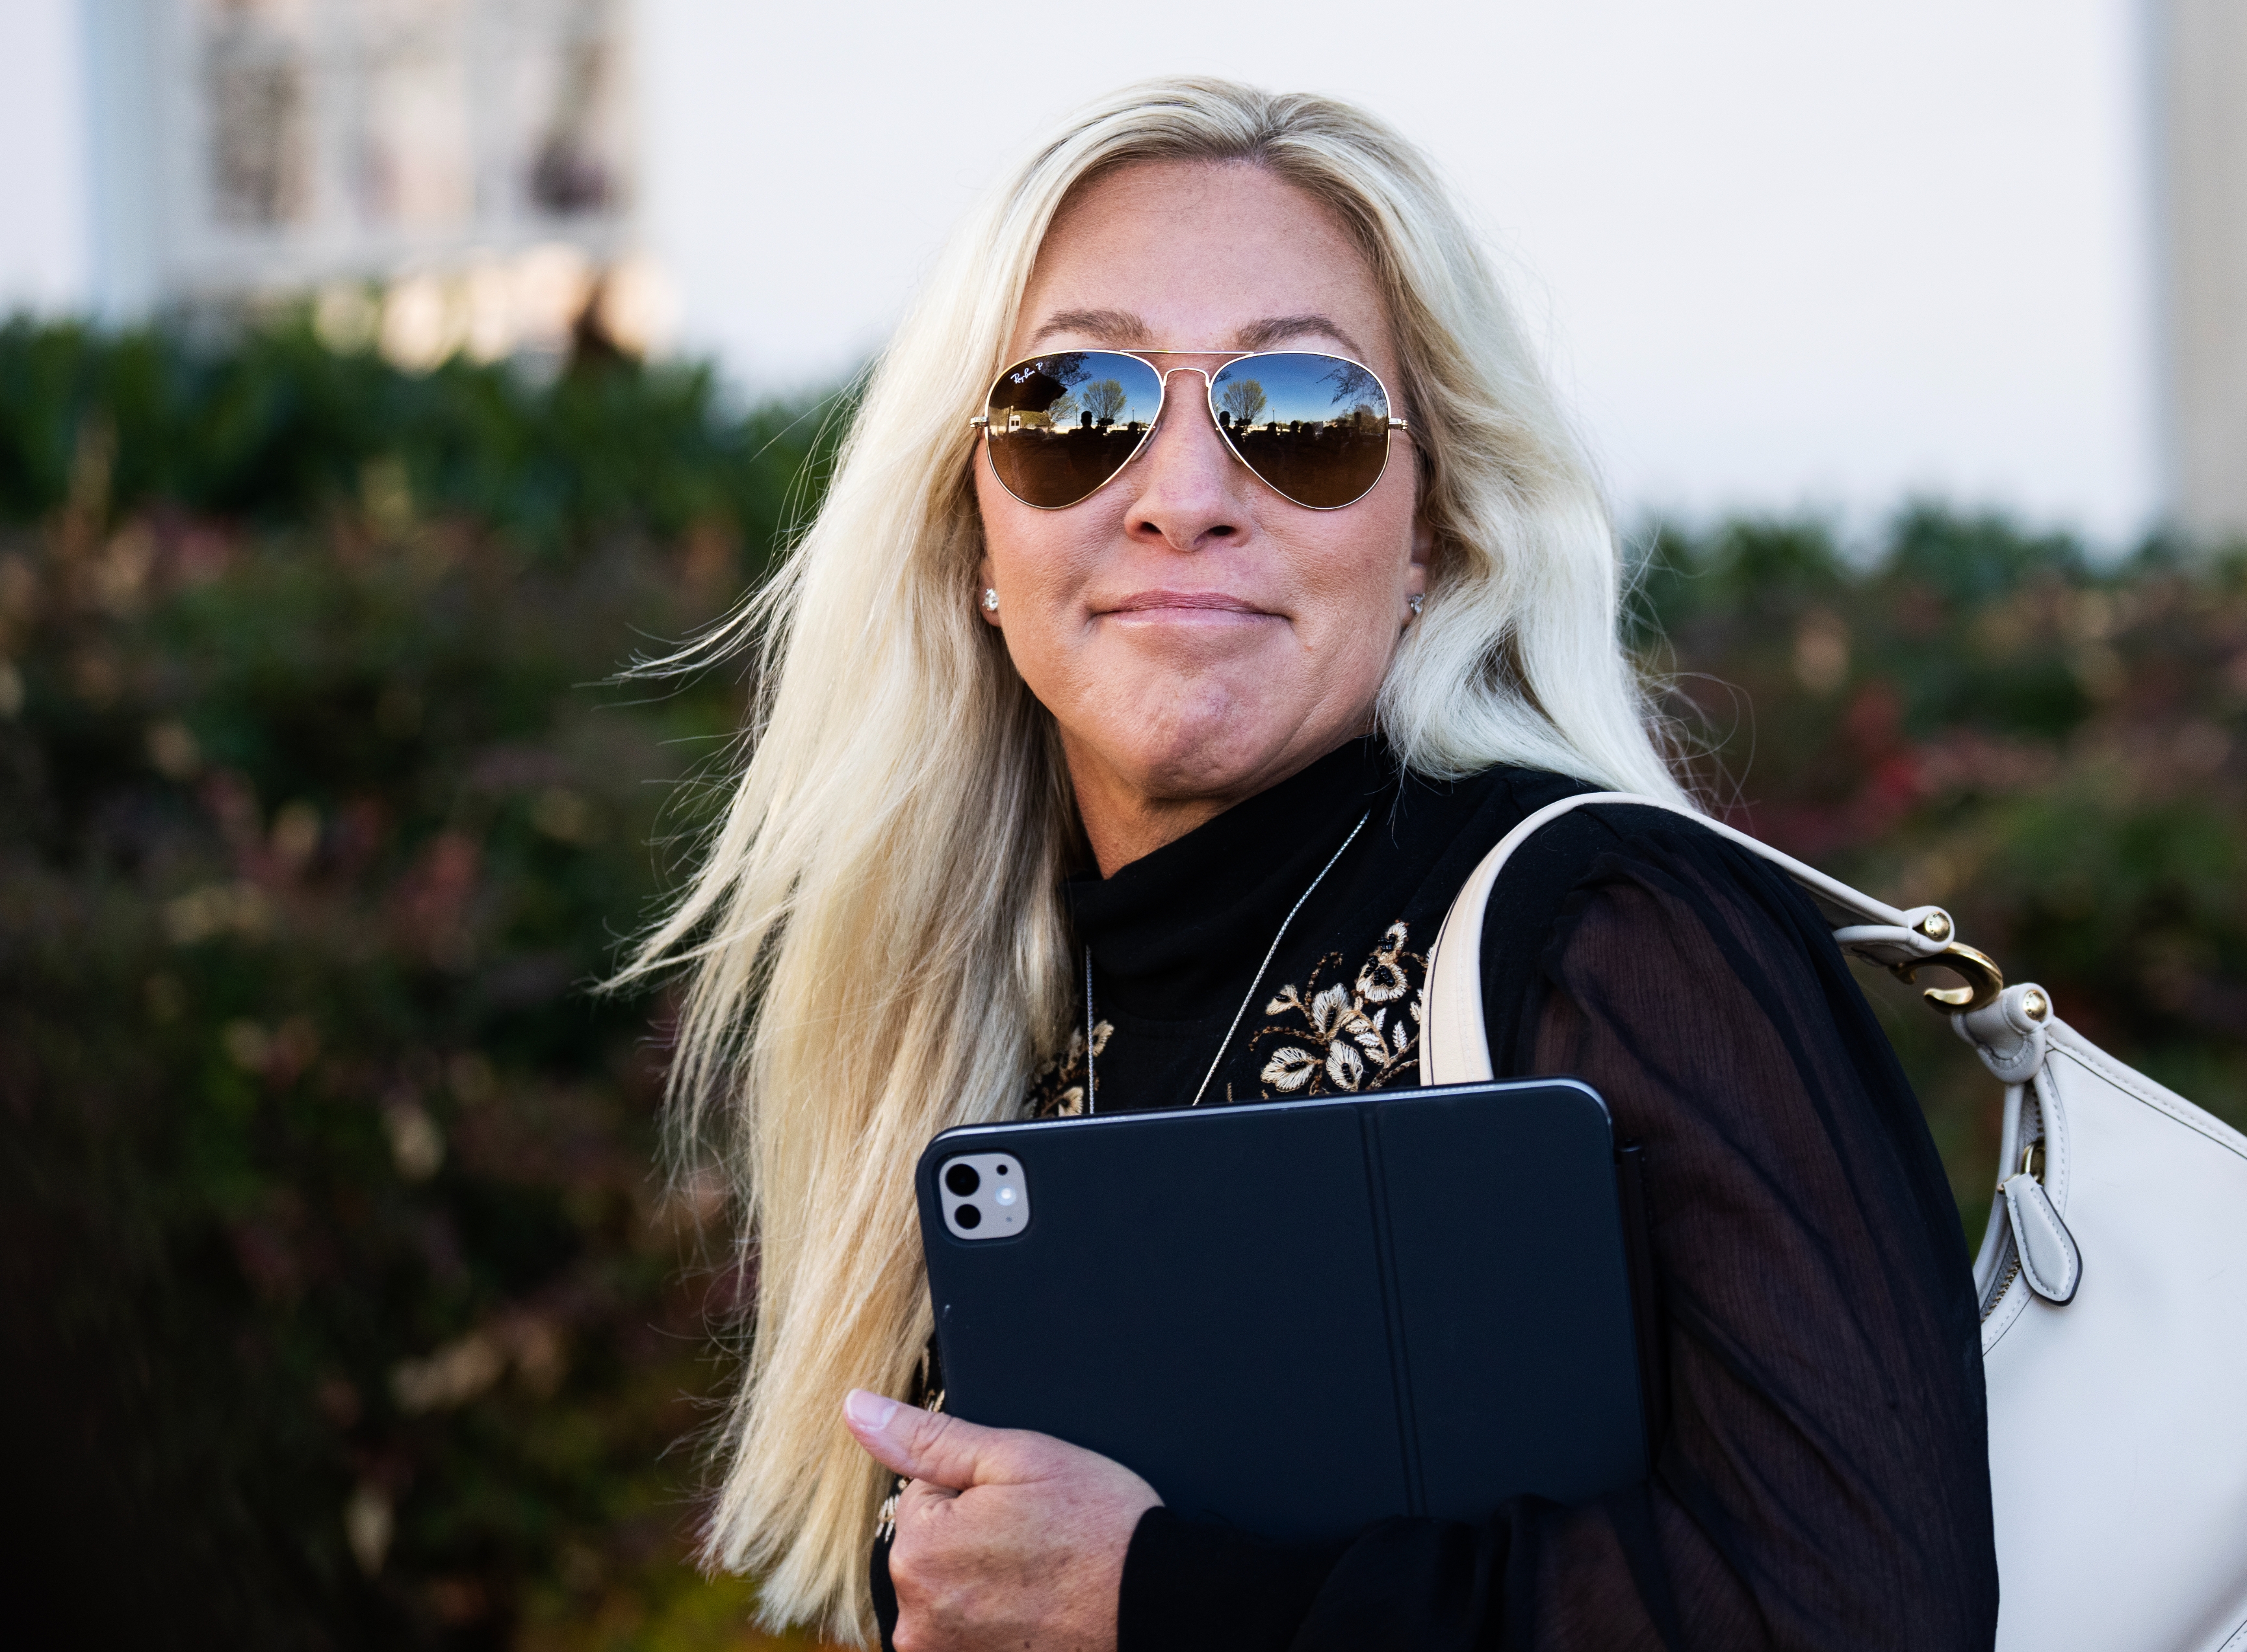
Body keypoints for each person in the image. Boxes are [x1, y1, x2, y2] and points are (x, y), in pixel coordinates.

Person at [623, 77, 1997, 1652]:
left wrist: (1157, 1598)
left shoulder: (1617, 931)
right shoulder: (980, 1020)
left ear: (1432, 532)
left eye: (1301, 416)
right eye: (1075, 409)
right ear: (972, 536)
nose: (1184, 498)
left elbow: (1865, 1612)